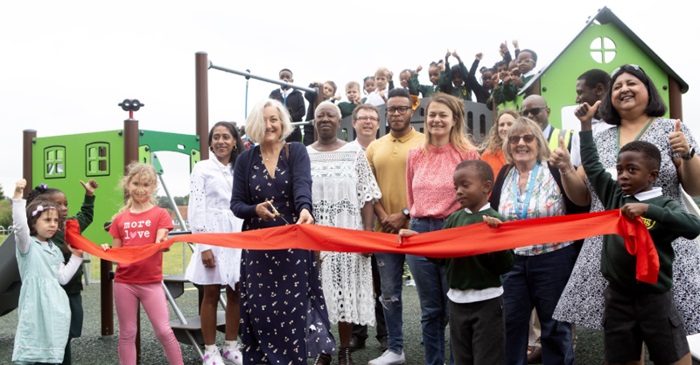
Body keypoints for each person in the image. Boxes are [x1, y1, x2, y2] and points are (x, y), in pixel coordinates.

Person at [554, 64, 700, 353]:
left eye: (631, 83)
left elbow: (694, 187)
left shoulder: (672, 129)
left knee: (669, 341)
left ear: (648, 90)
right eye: (617, 86)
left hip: (662, 247)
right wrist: (565, 169)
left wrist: (688, 153)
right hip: (611, 249)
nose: (624, 89)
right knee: (623, 343)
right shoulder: (600, 137)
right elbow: (584, 197)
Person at [230, 98, 335, 365]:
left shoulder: (296, 151)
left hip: (293, 248)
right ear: (254, 124)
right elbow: (237, 205)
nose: (269, 125)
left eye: (274, 119)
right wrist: (256, 210)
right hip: (258, 249)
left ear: (282, 122)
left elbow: (302, 185)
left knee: (293, 311)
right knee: (259, 312)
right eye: (264, 120)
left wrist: (305, 209)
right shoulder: (244, 159)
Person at [489, 117, 585, 365]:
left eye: (527, 137)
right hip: (513, 262)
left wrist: (567, 168)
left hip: (554, 260)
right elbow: (493, 212)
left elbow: (581, 203)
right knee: (511, 325)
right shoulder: (504, 174)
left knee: (555, 327)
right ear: (508, 145)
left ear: (538, 141)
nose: (521, 143)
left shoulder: (554, 169)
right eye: (514, 138)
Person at [402, 159, 515, 365]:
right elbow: (442, 256)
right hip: (457, 303)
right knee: (462, 359)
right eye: (456, 187)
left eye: (465, 185)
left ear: (486, 187)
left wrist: (496, 238)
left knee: (487, 359)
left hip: (487, 303)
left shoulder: (496, 220)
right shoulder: (453, 220)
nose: (459, 191)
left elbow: (504, 265)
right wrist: (416, 241)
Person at [404, 93, 480, 365]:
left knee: (454, 307)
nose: (436, 120)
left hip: (453, 233)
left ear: (454, 120)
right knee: (430, 309)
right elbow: (411, 200)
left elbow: (474, 200)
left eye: (442, 115)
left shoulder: (468, 154)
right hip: (420, 234)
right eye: (432, 114)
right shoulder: (414, 155)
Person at [307, 101, 382, 365]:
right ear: (314, 121)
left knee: (345, 292)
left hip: (349, 236)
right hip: (315, 240)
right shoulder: (303, 155)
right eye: (320, 115)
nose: (325, 119)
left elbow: (368, 197)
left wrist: (367, 236)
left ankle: (344, 350)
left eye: (331, 115)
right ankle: (323, 350)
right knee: (319, 296)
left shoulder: (354, 153)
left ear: (340, 121)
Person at [100, 163, 184, 365]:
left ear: (154, 187)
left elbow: (160, 243)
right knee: (127, 333)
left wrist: (163, 244)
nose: (140, 189)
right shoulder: (119, 219)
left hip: (151, 282)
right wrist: (105, 250)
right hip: (124, 283)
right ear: (128, 185)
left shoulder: (160, 214)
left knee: (164, 331)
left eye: (146, 185)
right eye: (136, 183)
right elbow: (117, 255)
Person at [366, 88, 425, 365]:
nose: (397, 113)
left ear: (411, 112)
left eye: (402, 108)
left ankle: (433, 343)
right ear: (385, 113)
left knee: (429, 293)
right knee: (388, 294)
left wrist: (403, 214)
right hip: (384, 231)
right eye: (392, 109)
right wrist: (383, 215)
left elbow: (429, 189)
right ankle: (395, 349)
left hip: (418, 228)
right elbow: (368, 188)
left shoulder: (424, 143)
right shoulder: (374, 147)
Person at [185, 121, 245, 365]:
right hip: (212, 232)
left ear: (234, 141)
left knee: (236, 291)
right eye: (216, 137)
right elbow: (196, 207)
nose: (221, 141)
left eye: (226, 136)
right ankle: (210, 350)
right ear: (210, 142)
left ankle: (231, 345)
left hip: (237, 231)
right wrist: (204, 245)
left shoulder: (240, 167)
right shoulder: (202, 168)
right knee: (210, 291)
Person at [11, 179, 84, 364]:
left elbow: (63, 277)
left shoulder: (55, 249)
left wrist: (76, 257)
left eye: (55, 221)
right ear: (33, 223)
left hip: (56, 306)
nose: (52, 224)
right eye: (47, 220)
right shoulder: (27, 246)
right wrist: (18, 197)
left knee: (53, 347)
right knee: (33, 344)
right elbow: (19, 227)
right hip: (35, 305)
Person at [25, 180, 97, 365]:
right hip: (53, 292)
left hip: (71, 289)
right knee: (57, 334)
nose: (63, 208)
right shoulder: (42, 234)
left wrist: (89, 195)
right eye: (58, 205)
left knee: (70, 331)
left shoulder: (71, 225)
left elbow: (87, 215)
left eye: (66, 204)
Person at [345, 104, 388, 352]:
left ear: (378, 123)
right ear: (354, 123)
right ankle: (357, 335)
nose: (368, 122)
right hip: (352, 227)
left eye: (373, 118)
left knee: (385, 285)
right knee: (355, 284)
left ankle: (386, 335)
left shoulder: (384, 150)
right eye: (363, 118)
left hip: (383, 228)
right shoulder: (346, 151)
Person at [521, 94, 581, 167]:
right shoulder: (519, 143)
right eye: (525, 113)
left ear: (548, 112)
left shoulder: (567, 137)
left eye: (535, 111)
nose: (529, 116)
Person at [269, 68, 306, 143]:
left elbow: (302, 111)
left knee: (294, 151)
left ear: (292, 80)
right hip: (278, 129)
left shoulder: (298, 94)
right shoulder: (274, 94)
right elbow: (269, 110)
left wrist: (287, 118)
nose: (285, 79)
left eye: (288, 77)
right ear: (278, 80)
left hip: (294, 130)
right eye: (282, 77)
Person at [575, 69, 614, 136]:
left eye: (580, 93)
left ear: (599, 89)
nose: (577, 100)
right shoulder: (579, 129)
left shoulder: (621, 123)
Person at [480, 109, 519, 176]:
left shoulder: (525, 154)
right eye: (501, 125)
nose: (505, 128)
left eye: (510, 124)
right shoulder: (487, 156)